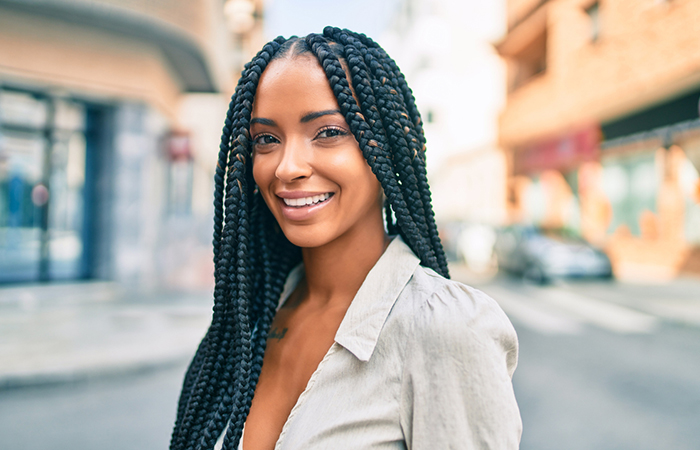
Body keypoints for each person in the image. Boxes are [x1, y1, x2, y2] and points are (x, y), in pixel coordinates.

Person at [170, 27, 521, 450]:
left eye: (328, 132)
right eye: (267, 139)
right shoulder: (251, 320)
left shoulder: (445, 328)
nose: (287, 167)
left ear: (388, 149)